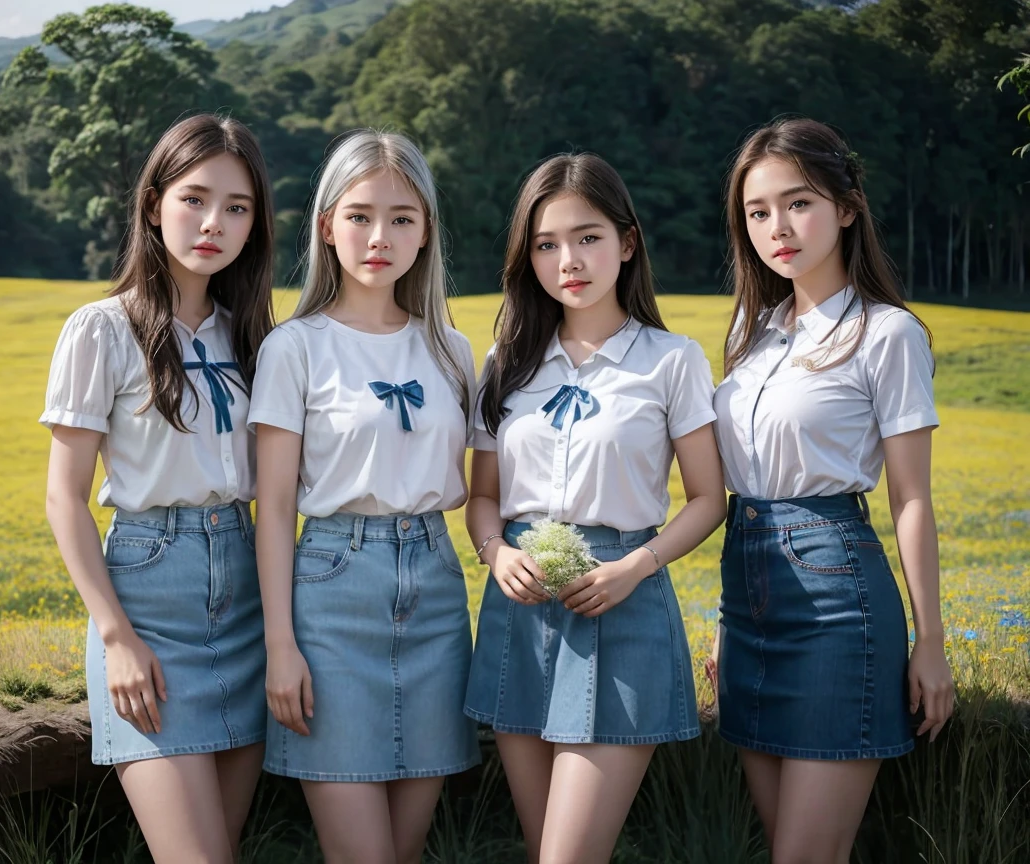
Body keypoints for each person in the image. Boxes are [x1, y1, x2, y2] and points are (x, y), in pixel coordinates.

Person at [464, 153, 727, 864]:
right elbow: (482, 496)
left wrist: (632, 569)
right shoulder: (507, 361)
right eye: (546, 244)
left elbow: (708, 499)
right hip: (520, 609)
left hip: (623, 604)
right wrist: (498, 553)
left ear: (627, 242)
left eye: (587, 238)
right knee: (540, 848)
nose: (568, 260)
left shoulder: (671, 361)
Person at [713, 116, 955, 863]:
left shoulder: (887, 335)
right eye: (757, 212)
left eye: (799, 203)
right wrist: (727, 624)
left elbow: (910, 498)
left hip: (834, 597)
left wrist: (932, 643)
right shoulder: (752, 336)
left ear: (847, 207)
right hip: (747, 590)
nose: (777, 227)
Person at [41, 114, 275, 863]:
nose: (214, 222)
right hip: (149, 597)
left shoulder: (254, 336)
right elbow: (63, 497)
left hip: (246, 594)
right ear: (153, 204)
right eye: (195, 199)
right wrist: (116, 638)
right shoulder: (100, 329)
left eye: (237, 207)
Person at [249, 130, 480, 864]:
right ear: (326, 226)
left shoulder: (451, 348)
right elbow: (276, 508)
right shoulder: (295, 347)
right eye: (360, 215)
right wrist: (281, 645)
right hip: (330, 594)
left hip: (436, 592)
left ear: (426, 232)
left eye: (403, 218)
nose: (380, 236)